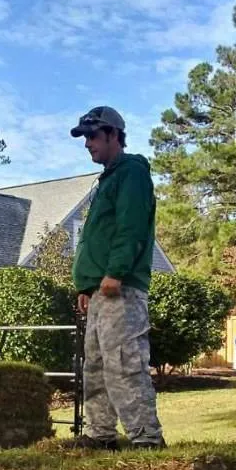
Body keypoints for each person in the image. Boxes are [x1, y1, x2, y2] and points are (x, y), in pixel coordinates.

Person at [68, 106, 165, 450]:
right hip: (100, 292)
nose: (87, 144)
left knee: (125, 364)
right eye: (85, 138)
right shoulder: (108, 178)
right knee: (95, 366)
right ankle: (101, 434)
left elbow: (131, 226)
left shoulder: (132, 173)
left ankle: (147, 440)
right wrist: (87, 286)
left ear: (113, 135)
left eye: (92, 136)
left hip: (120, 290)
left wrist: (115, 272)